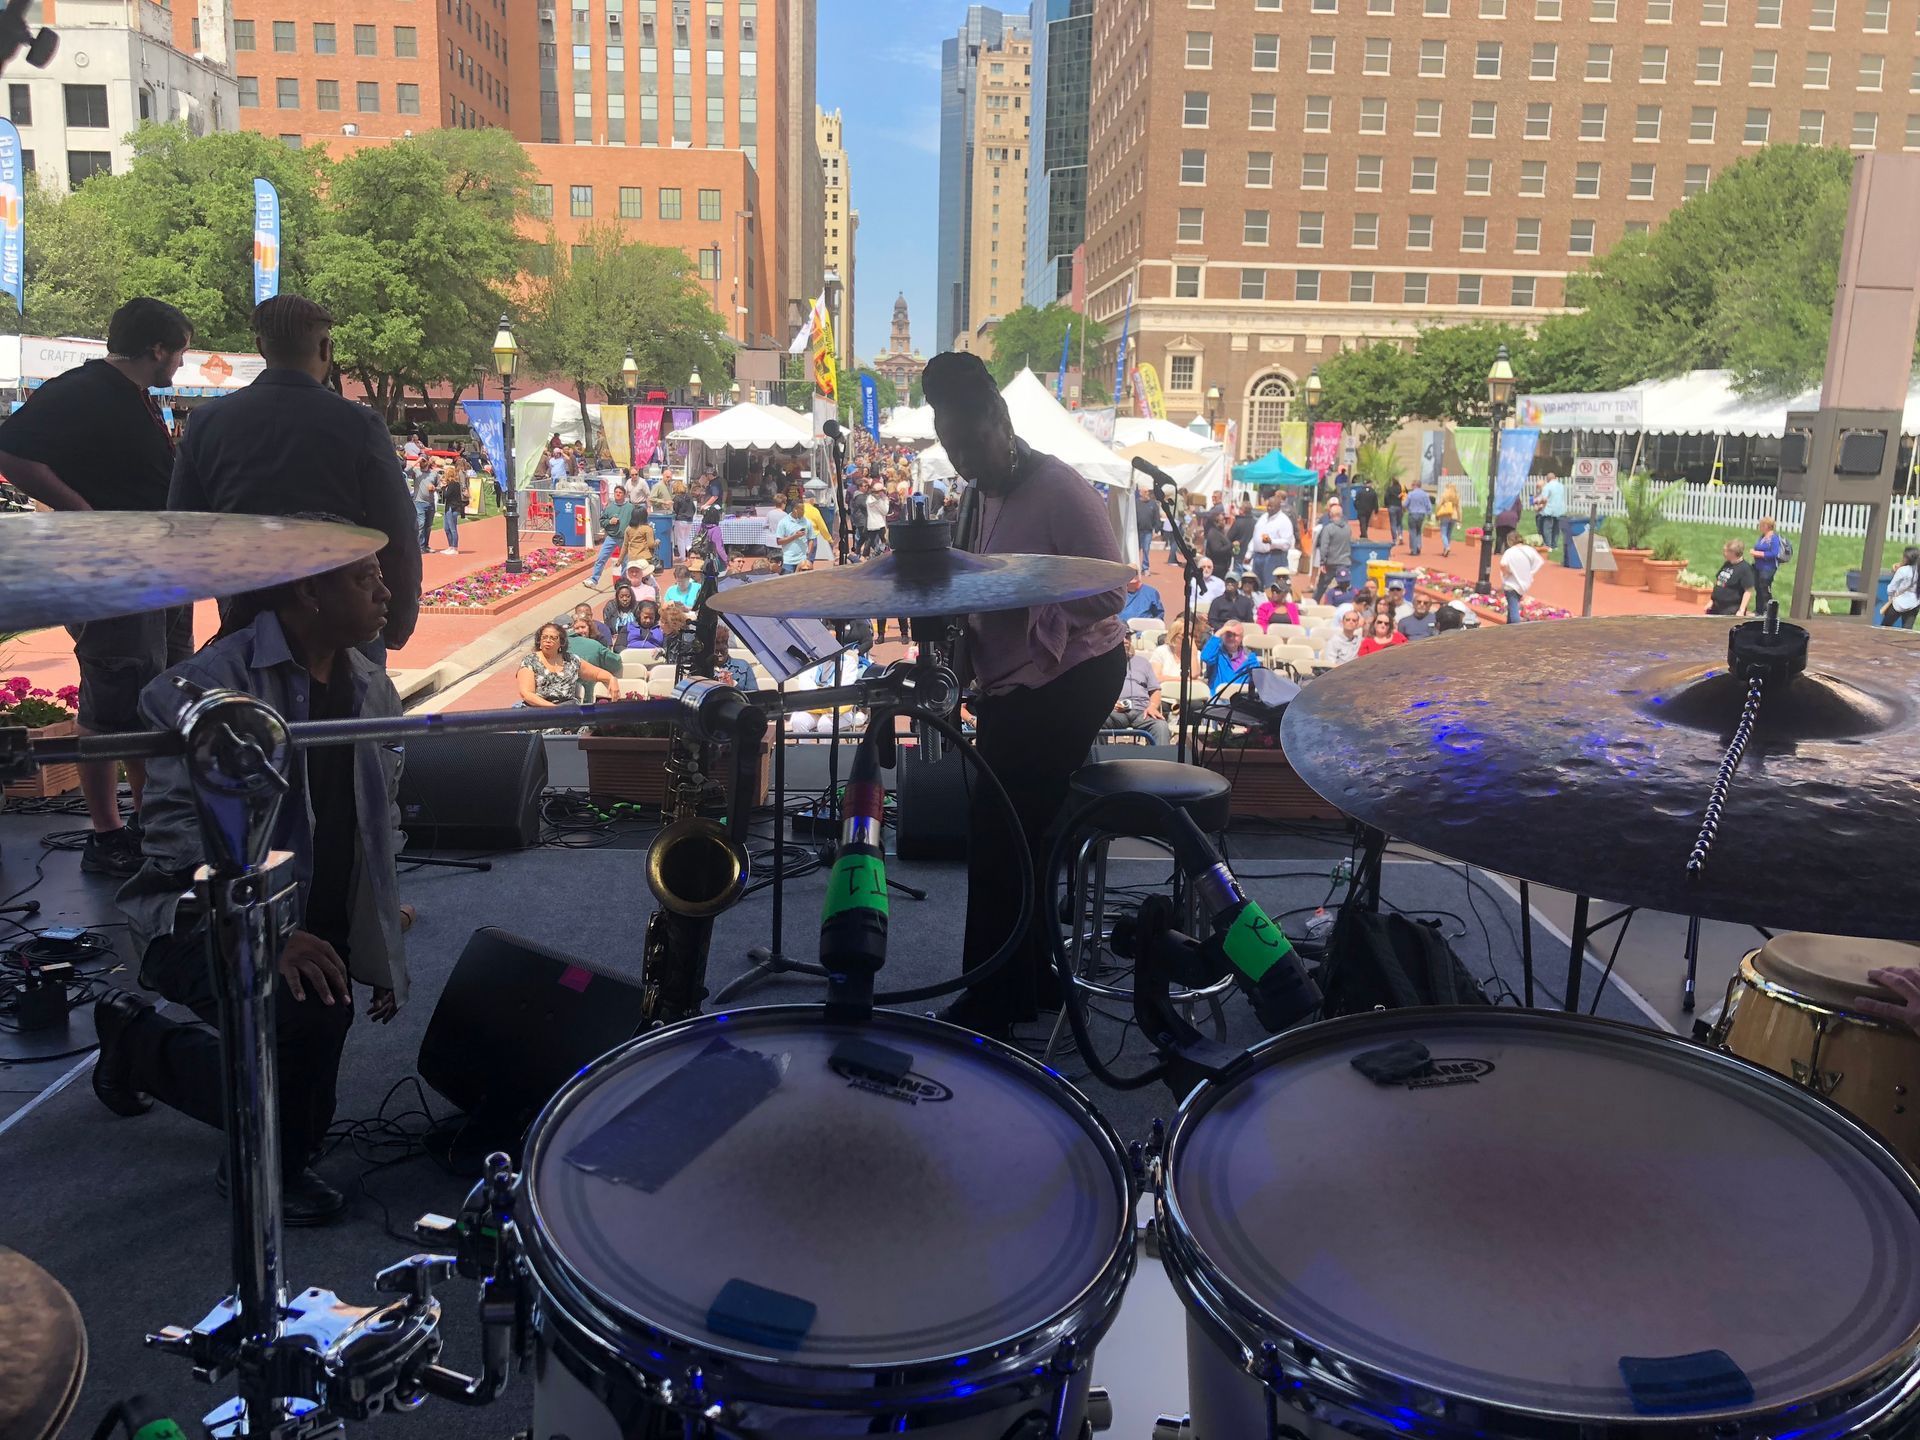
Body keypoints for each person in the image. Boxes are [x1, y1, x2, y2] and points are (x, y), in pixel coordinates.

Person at [97, 542, 405, 1224]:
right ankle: (256, 1164)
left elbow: (377, 824)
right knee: (307, 1028)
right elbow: (177, 840)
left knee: (305, 1090)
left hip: (311, 918)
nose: (386, 593)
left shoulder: (370, 685)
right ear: (308, 593)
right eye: (365, 579)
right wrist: (272, 932)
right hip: (199, 918)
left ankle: (138, 1043)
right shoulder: (206, 686)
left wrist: (379, 934)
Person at [931, 350, 1127, 1040]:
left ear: (1002, 422)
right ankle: (1032, 982)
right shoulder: (979, 493)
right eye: (950, 447)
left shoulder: (1059, 487)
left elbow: (1112, 588)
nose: (962, 461)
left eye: (970, 443)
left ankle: (991, 1002)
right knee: (1021, 836)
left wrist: (1030, 599)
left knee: (1000, 835)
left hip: (1071, 678)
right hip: (1014, 682)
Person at [0, 297, 197, 877]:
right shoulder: (85, 389)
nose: (181, 364)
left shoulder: (132, 396)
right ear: (156, 348)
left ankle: (148, 823)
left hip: (157, 572)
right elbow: (11, 449)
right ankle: (108, 835)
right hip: (114, 574)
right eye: (180, 352)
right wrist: (82, 513)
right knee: (112, 706)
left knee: (155, 697)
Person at [169, 296, 423, 658]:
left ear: (261, 347)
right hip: (345, 623)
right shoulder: (358, 424)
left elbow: (183, 534)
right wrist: (395, 623)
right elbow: (397, 531)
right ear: (325, 347)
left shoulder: (207, 423)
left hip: (249, 622)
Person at [518, 621, 621, 707]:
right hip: (539, 713)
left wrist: (611, 679)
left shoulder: (571, 660)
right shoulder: (530, 661)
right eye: (544, 637)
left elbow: (597, 673)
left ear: (561, 642)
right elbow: (527, 694)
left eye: (553, 638)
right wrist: (553, 708)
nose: (548, 641)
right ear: (539, 641)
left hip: (568, 712)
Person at [1106, 646, 1170, 746]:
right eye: (1122, 638)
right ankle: (1096, 755)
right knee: (1096, 722)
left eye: (1128, 638)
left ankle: (1160, 756)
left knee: (1161, 726)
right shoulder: (1104, 663)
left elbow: (1155, 690)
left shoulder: (1143, 663)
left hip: (1142, 712)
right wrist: (1109, 703)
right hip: (1114, 712)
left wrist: (1153, 706)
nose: (1125, 640)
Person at [566, 615, 624, 700]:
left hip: (596, 694)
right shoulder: (595, 645)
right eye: (577, 628)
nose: (580, 630)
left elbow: (615, 662)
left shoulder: (599, 642)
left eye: (583, 627)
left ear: (589, 627)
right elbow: (616, 662)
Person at [589, 484, 636, 587]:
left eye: (620, 493)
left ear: (624, 495)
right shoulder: (609, 507)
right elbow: (602, 521)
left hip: (625, 539)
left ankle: (624, 583)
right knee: (601, 557)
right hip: (611, 537)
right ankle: (594, 579)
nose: (618, 494)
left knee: (625, 561)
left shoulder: (630, 507)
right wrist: (609, 521)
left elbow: (636, 521)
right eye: (616, 492)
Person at [1250, 491, 1296, 589]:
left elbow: (1287, 543)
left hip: (1274, 557)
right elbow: (1255, 535)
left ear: (1279, 507)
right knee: (1256, 585)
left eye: (1272, 506)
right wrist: (1249, 553)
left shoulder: (1284, 521)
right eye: (1268, 506)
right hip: (1258, 557)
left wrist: (1272, 541)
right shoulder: (1263, 517)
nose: (1269, 508)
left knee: (1271, 586)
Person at [1200, 621, 1259, 693]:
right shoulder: (1217, 654)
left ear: (1241, 637)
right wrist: (1219, 633)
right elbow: (1206, 657)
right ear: (1222, 635)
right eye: (1228, 635)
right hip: (1218, 697)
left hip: (1241, 697)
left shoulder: (1250, 658)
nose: (1231, 638)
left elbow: (1259, 679)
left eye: (1235, 635)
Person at [1499, 532, 1545, 624]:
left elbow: (1503, 565)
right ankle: (1508, 625)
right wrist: (1530, 572)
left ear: (1510, 541)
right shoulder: (1529, 550)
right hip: (1524, 583)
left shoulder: (1510, 552)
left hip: (1511, 584)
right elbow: (1539, 561)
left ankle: (1516, 627)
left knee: (1513, 608)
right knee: (1512, 605)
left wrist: (1507, 572)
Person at [1312, 499, 1353, 601]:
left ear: (1330, 514)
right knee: (1344, 587)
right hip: (1344, 562)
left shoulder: (1328, 528)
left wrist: (1322, 562)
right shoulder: (1348, 528)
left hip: (1330, 563)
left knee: (1321, 587)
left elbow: (1324, 546)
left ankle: (1314, 603)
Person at [1706, 540, 1756, 617]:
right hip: (1716, 606)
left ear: (1733, 553)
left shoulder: (1745, 569)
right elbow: (1719, 582)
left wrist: (1741, 610)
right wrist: (1711, 601)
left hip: (1730, 609)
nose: (1724, 553)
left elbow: (1748, 591)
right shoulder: (1727, 564)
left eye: (1726, 551)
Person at [771, 494, 813, 574]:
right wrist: (795, 536)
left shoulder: (807, 522)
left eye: (803, 509)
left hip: (802, 560)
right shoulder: (784, 522)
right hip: (788, 560)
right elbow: (779, 541)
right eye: (801, 509)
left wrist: (809, 552)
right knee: (788, 580)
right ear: (795, 510)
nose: (803, 511)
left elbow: (811, 538)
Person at [1752, 516, 1786, 615]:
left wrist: (1758, 554)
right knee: (1758, 588)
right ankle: (1759, 610)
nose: (1760, 527)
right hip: (1758, 567)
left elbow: (1774, 553)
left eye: (1761, 525)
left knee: (1765, 588)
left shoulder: (1774, 538)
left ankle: (1768, 610)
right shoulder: (1762, 537)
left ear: (1766, 526)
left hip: (1768, 568)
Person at [1882, 546, 1920, 629]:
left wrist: (1890, 595)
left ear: (1906, 557)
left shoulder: (1903, 570)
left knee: (1885, 626)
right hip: (1915, 603)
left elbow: (1891, 587)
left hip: (1898, 601)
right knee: (1907, 629)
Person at [1534, 473, 1569, 554]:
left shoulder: (1547, 486)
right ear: (1555, 478)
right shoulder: (1561, 486)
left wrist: (1538, 503)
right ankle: (1554, 545)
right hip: (1559, 510)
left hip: (1549, 510)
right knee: (1556, 529)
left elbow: (1544, 499)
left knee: (1547, 529)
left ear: (1547, 479)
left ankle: (1548, 545)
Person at [439, 461, 466, 555]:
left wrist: (443, 488)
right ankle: (450, 546)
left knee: (452, 528)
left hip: (453, 508)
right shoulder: (450, 484)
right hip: (448, 507)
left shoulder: (453, 484)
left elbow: (446, 495)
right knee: (446, 528)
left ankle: (455, 547)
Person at [1403, 479, 1434, 558]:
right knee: (1418, 530)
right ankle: (1418, 545)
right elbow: (1429, 505)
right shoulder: (1425, 494)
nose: (1412, 487)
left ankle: (1414, 549)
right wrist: (1429, 514)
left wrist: (1405, 507)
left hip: (1413, 514)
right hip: (1421, 514)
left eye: (1412, 485)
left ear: (1415, 485)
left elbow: (1405, 504)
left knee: (1412, 531)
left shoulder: (1411, 494)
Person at [411, 463, 437, 553]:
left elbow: (439, 485)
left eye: (424, 460)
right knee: (421, 524)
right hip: (419, 502)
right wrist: (417, 461)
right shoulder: (416, 472)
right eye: (421, 460)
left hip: (430, 502)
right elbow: (406, 470)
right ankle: (419, 546)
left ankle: (426, 545)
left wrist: (434, 487)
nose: (422, 462)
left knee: (428, 526)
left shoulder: (433, 473)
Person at [670, 480, 698, 559]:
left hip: (680, 519)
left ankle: (682, 556)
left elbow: (675, 509)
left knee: (680, 539)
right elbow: (694, 508)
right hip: (689, 520)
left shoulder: (676, 498)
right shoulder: (689, 497)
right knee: (686, 537)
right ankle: (690, 551)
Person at [1435, 480, 1461, 556]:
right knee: (1449, 533)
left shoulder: (1444, 495)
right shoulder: (1457, 496)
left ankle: (1447, 547)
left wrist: (1437, 514)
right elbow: (1459, 508)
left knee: (1443, 533)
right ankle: (1446, 548)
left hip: (1445, 515)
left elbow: (1439, 505)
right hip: (1454, 516)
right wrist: (1460, 519)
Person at [1383, 474, 1405, 548]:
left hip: (1392, 506)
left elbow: (1386, 497)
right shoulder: (1401, 488)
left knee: (1393, 523)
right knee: (1399, 522)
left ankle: (1395, 539)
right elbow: (1405, 495)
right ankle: (1400, 536)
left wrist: (1386, 504)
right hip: (1399, 506)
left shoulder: (1390, 488)